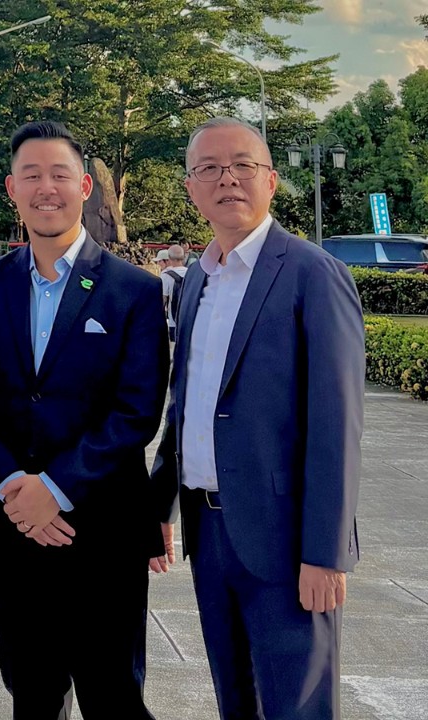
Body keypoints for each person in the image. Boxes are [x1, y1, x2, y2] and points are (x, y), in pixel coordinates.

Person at [0, 120, 169, 719]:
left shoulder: (133, 291)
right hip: (12, 523)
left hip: (104, 527)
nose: (47, 187)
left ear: (85, 186)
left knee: (113, 693)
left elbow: (136, 410)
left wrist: (57, 489)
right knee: (31, 690)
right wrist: (15, 488)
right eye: (31, 175)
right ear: (11, 189)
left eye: (59, 174)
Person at [150, 117, 365, 719]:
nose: (228, 180)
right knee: (235, 700)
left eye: (243, 165)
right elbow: (185, 401)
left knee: (297, 706)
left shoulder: (311, 274)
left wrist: (326, 553)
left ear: (271, 180)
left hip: (285, 536)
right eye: (209, 169)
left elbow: (337, 424)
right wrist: (161, 503)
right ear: (191, 187)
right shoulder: (196, 278)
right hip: (209, 532)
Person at [157, 244, 188, 342]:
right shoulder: (191, 272)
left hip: (173, 320)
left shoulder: (166, 275)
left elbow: (163, 299)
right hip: (190, 318)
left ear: (169, 258)